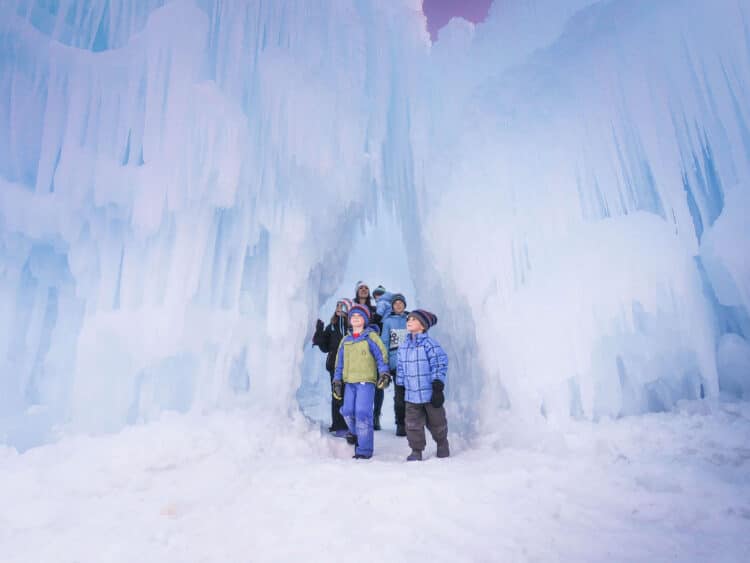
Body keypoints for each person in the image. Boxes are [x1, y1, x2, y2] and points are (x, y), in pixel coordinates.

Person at [332, 304, 391, 459]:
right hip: (349, 382)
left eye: (359, 316)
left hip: (366, 381)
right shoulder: (346, 340)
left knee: (363, 413)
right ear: (349, 320)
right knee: (347, 411)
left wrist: (384, 372)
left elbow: (381, 355)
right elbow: (339, 363)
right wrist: (337, 381)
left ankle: (364, 450)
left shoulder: (371, 337)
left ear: (364, 320)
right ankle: (356, 432)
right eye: (353, 316)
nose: (356, 319)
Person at [396, 309, 449, 461]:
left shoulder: (430, 344)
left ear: (423, 326)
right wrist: (400, 388)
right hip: (411, 395)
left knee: (437, 422)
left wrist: (438, 385)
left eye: (414, 319)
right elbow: (401, 368)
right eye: (408, 319)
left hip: (429, 393)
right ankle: (416, 450)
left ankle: (442, 443)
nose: (409, 321)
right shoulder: (403, 347)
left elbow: (439, 363)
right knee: (412, 425)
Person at [312, 298, 352, 436]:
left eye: (343, 306)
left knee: (349, 395)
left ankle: (350, 425)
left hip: (351, 366)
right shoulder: (332, 327)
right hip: (334, 365)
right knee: (337, 394)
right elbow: (324, 347)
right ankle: (338, 425)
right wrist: (319, 332)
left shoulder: (352, 326)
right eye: (338, 306)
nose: (339, 308)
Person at [352, 281, 385, 430]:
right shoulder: (351, 308)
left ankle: (376, 415)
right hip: (357, 349)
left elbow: (382, 326)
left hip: (373, 347)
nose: (364, 290)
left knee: (378, 382)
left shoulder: (375, 309)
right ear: (357, 291)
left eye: (366, 288)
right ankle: (359, 416)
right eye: (361, 288)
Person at [380, 293, 409, 436]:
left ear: (405, 305)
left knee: (412, 395)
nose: (398, 305)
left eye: (400, 303)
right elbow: (384, 342)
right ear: (392, 306)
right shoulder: (388, 322)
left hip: (411, 362)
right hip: (396, 363)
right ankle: (401, 423)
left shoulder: (410, 319)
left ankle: (413, 422)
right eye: (395, 303)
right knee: (400, 396)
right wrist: (385, 364)